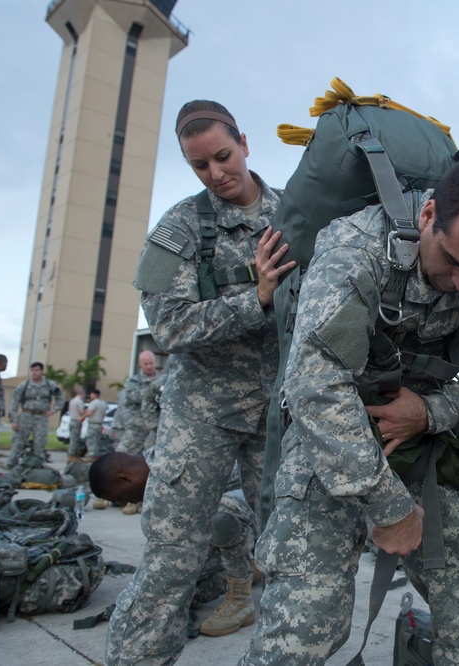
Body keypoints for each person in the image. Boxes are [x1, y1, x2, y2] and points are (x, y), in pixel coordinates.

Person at [241, 155, 459, 665]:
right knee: (303, 631)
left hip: (429, 440)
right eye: (453, 260)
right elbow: (315, 385)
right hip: (336, 436)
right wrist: (388, 506)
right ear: (427, 216)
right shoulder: (354, 247)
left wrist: (430, 411)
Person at [105, 100, 294, 666]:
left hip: (275, 416)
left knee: (290, 555)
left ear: (244, 141)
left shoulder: (296, 212)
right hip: (201, 415)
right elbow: (166, 325)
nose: (216, 174)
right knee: (171, 558)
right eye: (200, 166)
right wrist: (255, 299)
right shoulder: (178, 227)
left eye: (223, 156)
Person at [90, 451, 259, 637]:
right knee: (186, 591)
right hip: (239, 513)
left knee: (222, 517)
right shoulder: (155, 488)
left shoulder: (172, 456)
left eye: (119, 498)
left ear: (123, 478)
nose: (126, 503)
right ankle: (252, 567)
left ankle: (240, 601)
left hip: (262, 498)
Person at [7, 361, 63, 469]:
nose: (34, 373)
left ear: (42, 371)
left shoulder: (49, 385)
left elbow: (60, 398)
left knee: (39, 443)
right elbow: (14, 402)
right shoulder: (24, 385)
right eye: (32, 370)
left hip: (41, 417)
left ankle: (38, 465)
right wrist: (13, 420)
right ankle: (11, 464)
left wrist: (53, 410)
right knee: (19, 442)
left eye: (37, 370)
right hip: (25, 416)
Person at [118, 350, 158, 455]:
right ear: (140, 365)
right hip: (138, 429)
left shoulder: (165, 379)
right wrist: (155, 389)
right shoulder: (133, 381)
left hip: (157, 427)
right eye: (145, 364)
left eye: (151, 363)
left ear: (155, 362)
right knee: (123, 457)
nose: (149, 366)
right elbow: (136, 397)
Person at [83, 388, 110, 459]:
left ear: (95, 395)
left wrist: (82, 417)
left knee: (90, 439)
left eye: (91, 394)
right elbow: (104, 414)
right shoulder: (103, 403)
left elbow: (89, 412)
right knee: (96, 440)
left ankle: (91, 454)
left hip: (93, 423)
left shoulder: (94, 402)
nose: (90, 396)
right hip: (99, 424)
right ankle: (96, 454)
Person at [66, 386, 87, 461]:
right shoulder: (79, 401)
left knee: (72, 438)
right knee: (75, 439)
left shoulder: (72, 400)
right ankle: (72, 454)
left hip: (71, 420)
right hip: (77, 421)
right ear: (82, 394)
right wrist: (85, 413)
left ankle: (70, 452)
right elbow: (81, 411)